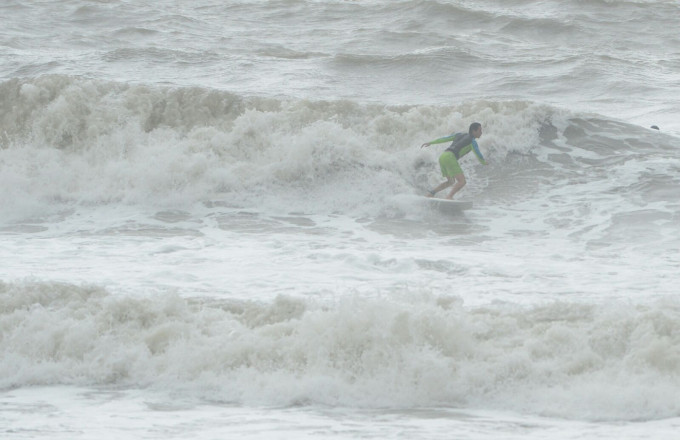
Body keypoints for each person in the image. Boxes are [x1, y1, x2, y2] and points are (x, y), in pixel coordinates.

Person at [420, 122, 487, 199]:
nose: (481, 132)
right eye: (480, 130)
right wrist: (484, 162)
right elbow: (478, 154)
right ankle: (449, 197)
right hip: (450, 157)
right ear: (473, 131)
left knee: (451, 181)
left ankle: (431, 194)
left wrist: (431, 142)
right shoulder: (472, 141)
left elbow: (445, 139)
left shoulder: (459, 135)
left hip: (443, 156)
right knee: (462, 182)